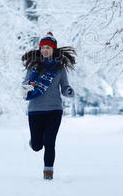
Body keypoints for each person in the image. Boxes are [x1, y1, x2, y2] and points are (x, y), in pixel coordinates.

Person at [21, 32, 76, 180]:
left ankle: (48, 172)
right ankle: (34, 142)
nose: (45, 50)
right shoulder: (33, 67)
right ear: (40, 49)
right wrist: (28, 86)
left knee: (50, 142)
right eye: (43, 47)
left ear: (53, 50)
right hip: (35, 110)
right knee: (38, 145)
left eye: (48, 48)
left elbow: (65, 87)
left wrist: (68, 91)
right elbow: (24, 84)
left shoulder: (59, 68)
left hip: (54, 110)